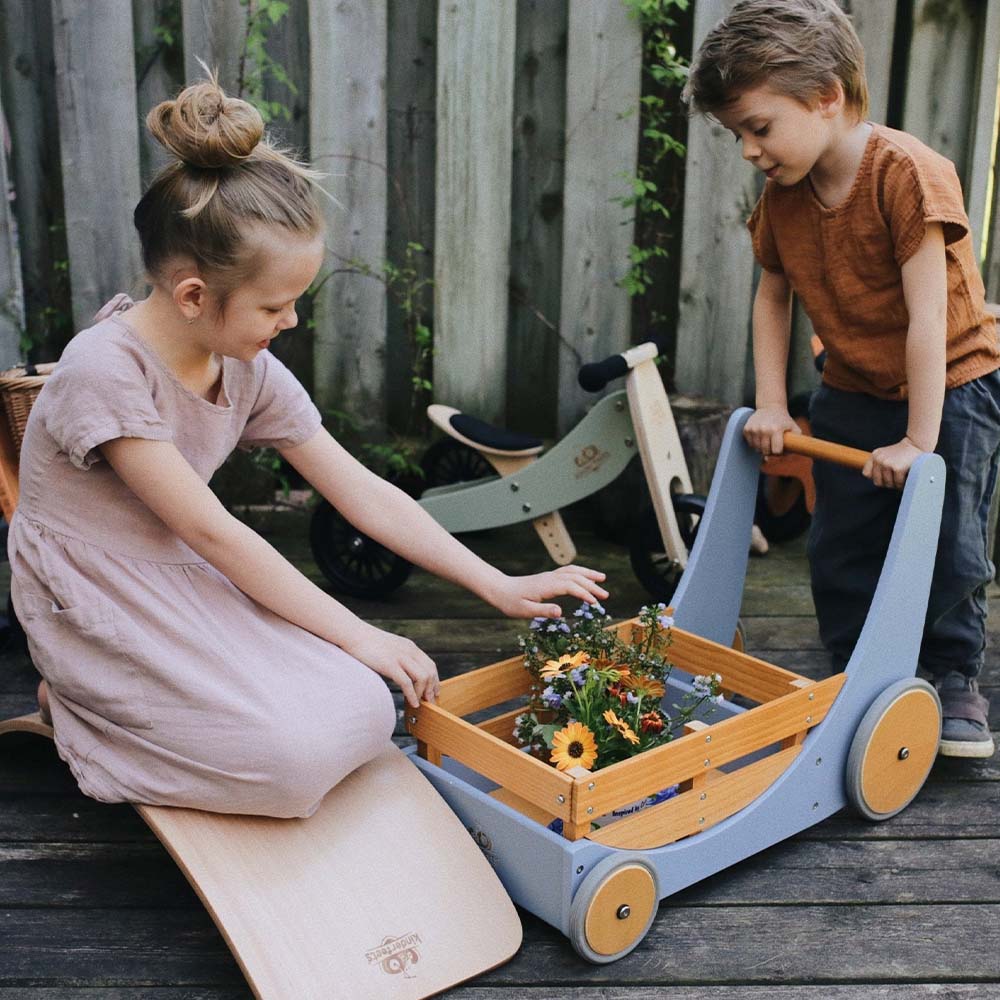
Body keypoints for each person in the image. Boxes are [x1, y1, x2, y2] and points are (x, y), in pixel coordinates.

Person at [7, 76, 609, 818]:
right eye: (274, 304)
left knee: (368, 706)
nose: (289, 320)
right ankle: (80, 709)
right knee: (292, 765)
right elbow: (212, 530)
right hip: (99, 597)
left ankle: (146, 711)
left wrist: (496, 584)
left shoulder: (246, 364)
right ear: (194, 295)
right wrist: (360, 633)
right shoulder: (104, 369)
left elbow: (362, 491)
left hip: (183, 578)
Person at [683, 0, 999, 758]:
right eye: (738, 136)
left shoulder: (908, 175)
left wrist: (920, 440)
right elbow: (772, 295)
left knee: (950, 539)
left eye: (759, 127)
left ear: (827, 95)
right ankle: (856, 660)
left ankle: (953, 675)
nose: (750, 151)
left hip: (951, 383)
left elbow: (928, 319)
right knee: (841, 538)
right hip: (852, 382)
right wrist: (770, 405)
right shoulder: (783, 194)